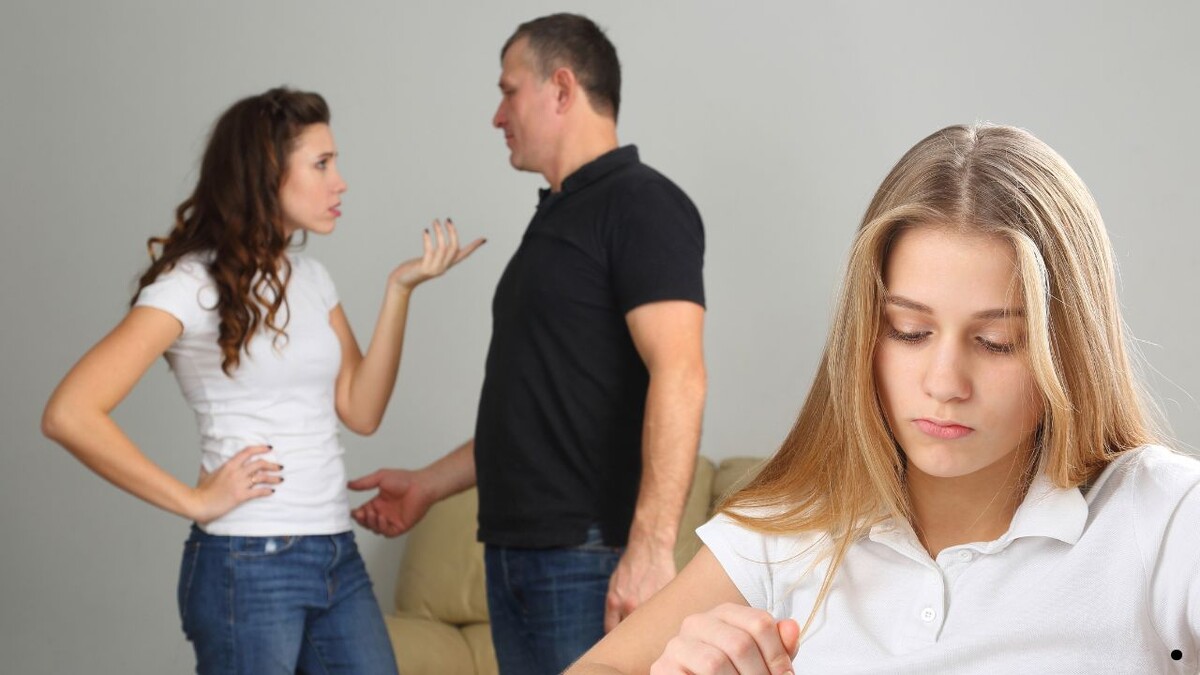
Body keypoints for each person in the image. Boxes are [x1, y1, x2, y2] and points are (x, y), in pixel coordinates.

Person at [566, 123, 1200, 674]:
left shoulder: (1167, 517)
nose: (944, 383)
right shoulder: (790, 532)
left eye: (997, 342)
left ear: (1070, 351)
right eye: (909, 332)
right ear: (864, 334)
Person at [41, 87, 483, 674]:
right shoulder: (190, 284)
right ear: (267, 173)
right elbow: (69, 413)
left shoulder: (312, 278)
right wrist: (193, 500)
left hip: (335, 553)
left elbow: (362, 410)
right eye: (321, 164)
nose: (340, 182)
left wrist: (399, 291)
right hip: (247, 560)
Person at [349, 13, 707, 673]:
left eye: (509, 91)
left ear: (561, 88)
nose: (497, 115)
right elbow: (539, 412)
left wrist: (651, 549)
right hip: (517, 554)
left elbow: (681, 373)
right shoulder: (557, 220)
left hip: (585, 556)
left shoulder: (643, 204)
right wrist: (428, 484)